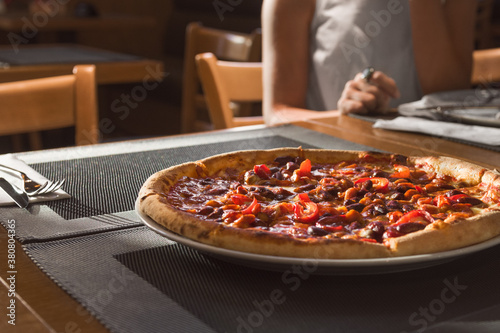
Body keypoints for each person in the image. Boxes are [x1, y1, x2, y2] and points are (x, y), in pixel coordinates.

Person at [261, 0, 477, 125]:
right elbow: (278, 112)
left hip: (434, 166)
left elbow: (449, 98)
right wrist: (347, 117)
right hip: (334, 167)